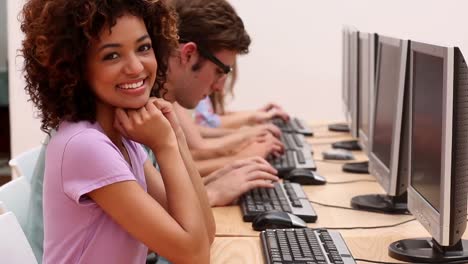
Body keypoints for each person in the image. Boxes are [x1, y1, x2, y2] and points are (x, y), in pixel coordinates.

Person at [21, 0, 215, 263]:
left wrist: (176, 136)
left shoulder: (121, 136)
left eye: (143, 48)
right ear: (76, 68)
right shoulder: (85, 145)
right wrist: (165, 146)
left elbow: (205, 233)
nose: (136, 67)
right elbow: (194, 254)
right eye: (112, 55)